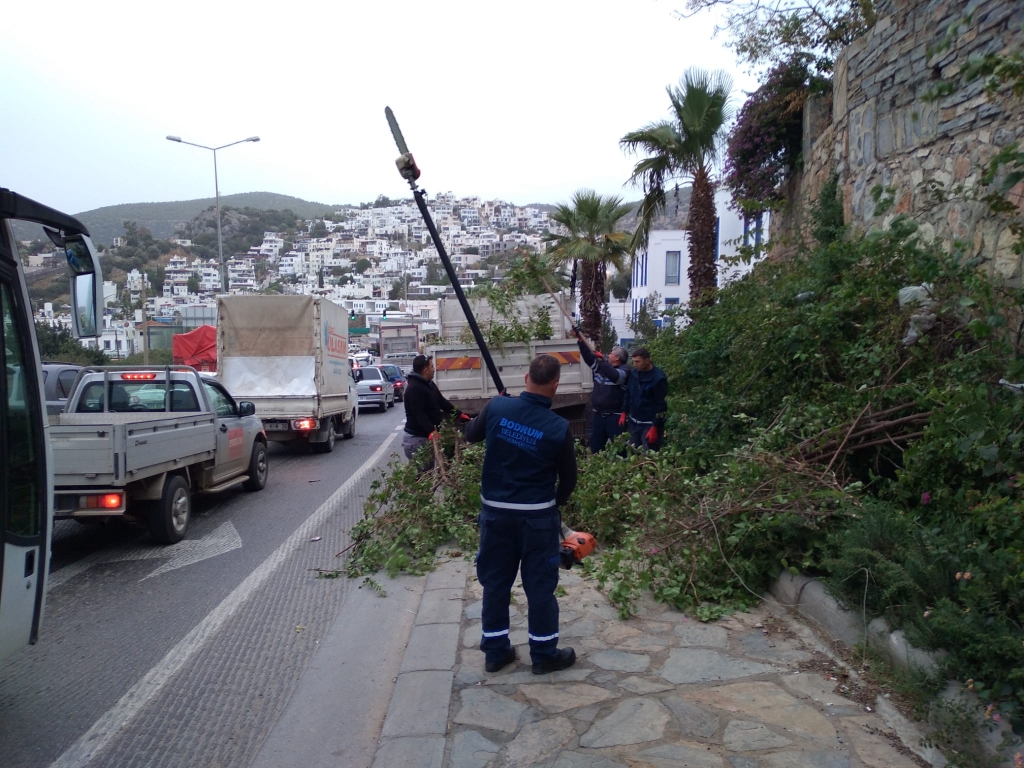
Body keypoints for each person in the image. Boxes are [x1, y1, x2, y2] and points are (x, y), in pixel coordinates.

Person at [464, 354, 578, 675]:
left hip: (496, 517)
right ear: (556, 385)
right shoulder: (558, 427)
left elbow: (470, 435)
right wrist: (552, 506)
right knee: (540, 586)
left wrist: (490, 412)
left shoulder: (498, 408)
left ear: (526, 378)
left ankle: (496, 652)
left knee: (496, 583)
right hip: (537, 521)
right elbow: (569, 480)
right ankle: (543, 654)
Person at [402, 354, 467, 470]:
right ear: (426, 370)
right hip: (416, 440)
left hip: (424, 438)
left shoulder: (429, 384)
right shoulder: (414, 388)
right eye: (432, 366)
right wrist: (431, 431)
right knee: (422, 476)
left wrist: (458, 414)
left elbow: (441, 402)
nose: (434, 369)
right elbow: (419, 414)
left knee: (429, 472)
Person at [575, 331, 630, 452]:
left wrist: (602, 360)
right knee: (596, 447)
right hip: (598, 416)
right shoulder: (602, 368)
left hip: (615, 417)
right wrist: (581, 341)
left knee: (620, 450)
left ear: (617, 358)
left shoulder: (624, 371)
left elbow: (614, 376)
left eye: (611, 353)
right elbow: (589, 359)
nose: (608, 355)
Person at [620, 346, 668, 451]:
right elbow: (628, 393)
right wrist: (624, 412)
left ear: (647, 360)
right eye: (633, 361)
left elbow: (662, 406)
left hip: (648, 424)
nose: (635, 364)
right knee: (632, 454)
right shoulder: (635, 373)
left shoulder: (658, 378)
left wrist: (655, 426)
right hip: (633, 424)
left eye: (638, 362)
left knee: (648, 457)